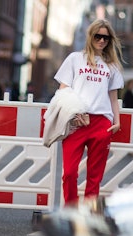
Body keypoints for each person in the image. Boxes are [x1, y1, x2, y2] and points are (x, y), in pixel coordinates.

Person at [53, 19, 124, 205]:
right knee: (69, 173)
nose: (101, 41)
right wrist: (73, 113)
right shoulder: (75, 59)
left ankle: (89, 215)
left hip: (101, 123)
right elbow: (63, 89)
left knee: (95, 176)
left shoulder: (112, 66)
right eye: (98, 36)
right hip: (76, 122)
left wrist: (116, 122)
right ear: (90, 37)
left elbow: (113, 97)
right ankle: (71, 210)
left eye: (106, 38)